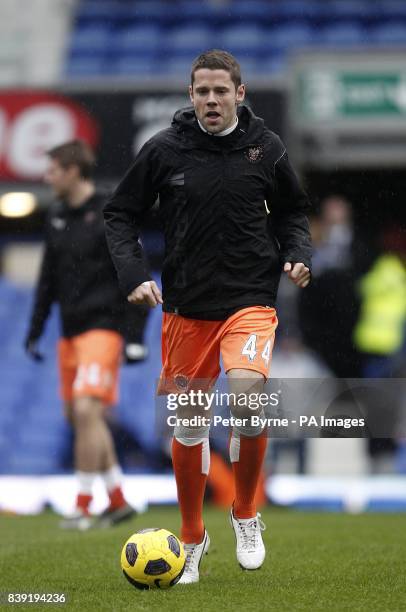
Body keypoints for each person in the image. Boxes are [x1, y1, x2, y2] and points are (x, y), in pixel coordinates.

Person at [104, 50, 312, 582]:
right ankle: (192, 538)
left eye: (221, 91)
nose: (212, 100)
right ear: (190, 95)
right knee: (190, 426)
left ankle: (246, 514)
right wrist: (134, 275)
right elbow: (119, 214)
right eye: (202, 92)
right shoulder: (164, 150)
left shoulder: (266, 148)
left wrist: (298, 252)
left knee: (246, 397)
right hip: (187, 309)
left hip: (249, 301)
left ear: (240, 94)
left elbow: (293, 210)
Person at [24, 140, 147, 530]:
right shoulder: (57, 215)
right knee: (82, 418)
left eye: (53, 170)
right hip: (69, 332)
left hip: (103, 329)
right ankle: (117, 499)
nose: (48, 178)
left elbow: (132, 270)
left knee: (85, 409)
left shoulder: (109, 213)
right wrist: (35, 328)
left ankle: (81, 505)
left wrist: (134, 335)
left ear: (73, 171)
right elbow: (48, 278)